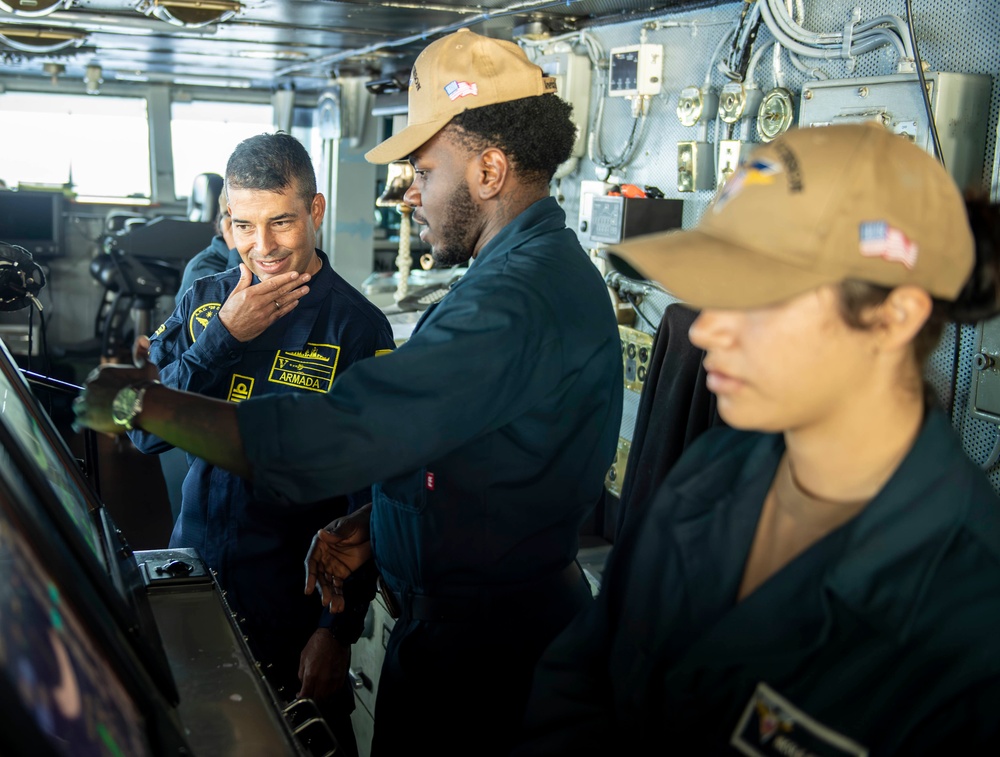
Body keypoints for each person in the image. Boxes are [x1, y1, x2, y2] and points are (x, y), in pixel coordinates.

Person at [72, 28, 623, 757]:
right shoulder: (515, 276)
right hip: (442, 619)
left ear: (489, 170)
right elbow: (458, 454)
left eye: (425, 171)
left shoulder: (515, 300)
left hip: (482, 653)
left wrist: (148, 402)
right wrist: (380, 518)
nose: (410, 193)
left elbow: (348, 429)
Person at [514, 123, 1000, 756]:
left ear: (893, 314)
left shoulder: (970, 622)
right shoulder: (713, 470)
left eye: (757, 297)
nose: (705, 330)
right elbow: (582, 682)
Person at [126, 132, 395, 757]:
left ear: (316, 211)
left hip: (294, 596)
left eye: (281, 222)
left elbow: (371, 490)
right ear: (226, 221)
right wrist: (225, 336)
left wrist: (336, 631)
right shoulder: (202, 303)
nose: (263, 246)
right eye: (244, 226)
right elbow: (143, 434)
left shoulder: (356, 327)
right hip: (194, 572)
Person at [175, 185, 241, 306]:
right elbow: (238, 313)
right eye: (245, 225)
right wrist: (236, 253)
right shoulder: (202, 271)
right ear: (228, 225)